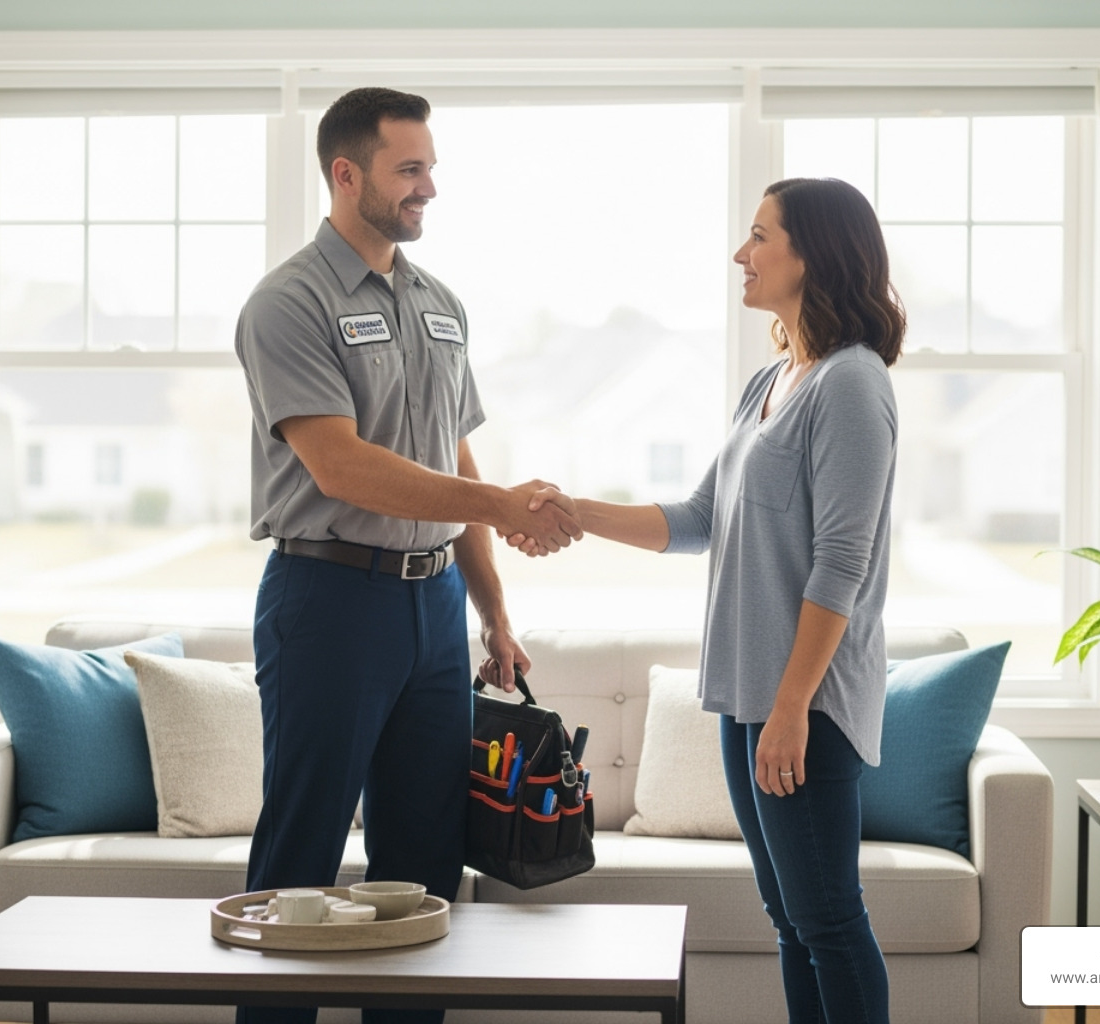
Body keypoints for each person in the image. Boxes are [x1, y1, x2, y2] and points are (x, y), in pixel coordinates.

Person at [512, 177, 904, 1023]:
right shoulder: (773, 380)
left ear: (813, 254)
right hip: (746, 697)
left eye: (760, 235)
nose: (741, 252)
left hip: (806, 706)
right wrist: (575, 511)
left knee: (829, 918)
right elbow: (698, 520)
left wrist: (793, 706)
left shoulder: (850, 382)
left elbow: (843, 559)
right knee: (792, 921)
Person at [233, 86, 580, 1024]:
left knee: (425, 868)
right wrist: (502, 503)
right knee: (299, 857)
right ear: (347, 176)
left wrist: (494, 613)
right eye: (410, 169)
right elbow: (343, 468)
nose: (430, 187)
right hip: (328, 600)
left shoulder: (439, 304)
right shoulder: (287, 304)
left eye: (430, 166)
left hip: (432, 616)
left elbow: (451, 458)